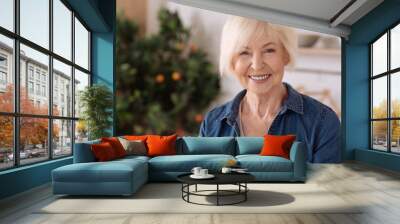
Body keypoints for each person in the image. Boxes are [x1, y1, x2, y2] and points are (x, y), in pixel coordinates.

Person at [199, 16, 341, 163]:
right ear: (232, 61)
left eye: (269, 50)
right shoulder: (212, 123)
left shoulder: (322, 122)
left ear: (285, 55)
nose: (257, 65)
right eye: (244, 52)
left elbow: (327, 186)